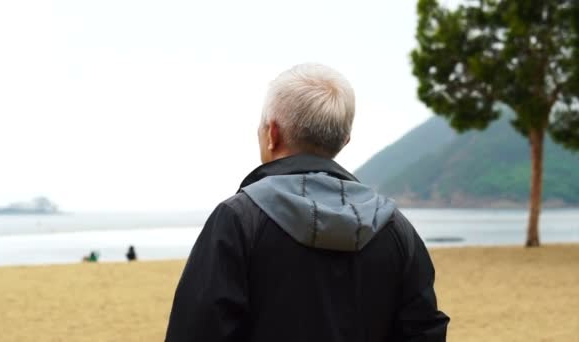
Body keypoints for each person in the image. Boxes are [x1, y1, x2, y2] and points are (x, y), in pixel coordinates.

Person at [165, 63, 449, 341]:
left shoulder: (239, 219)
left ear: (272, 133)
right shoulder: (395, 227)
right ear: (345, 140)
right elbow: (424, 330)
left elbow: (196, 330)